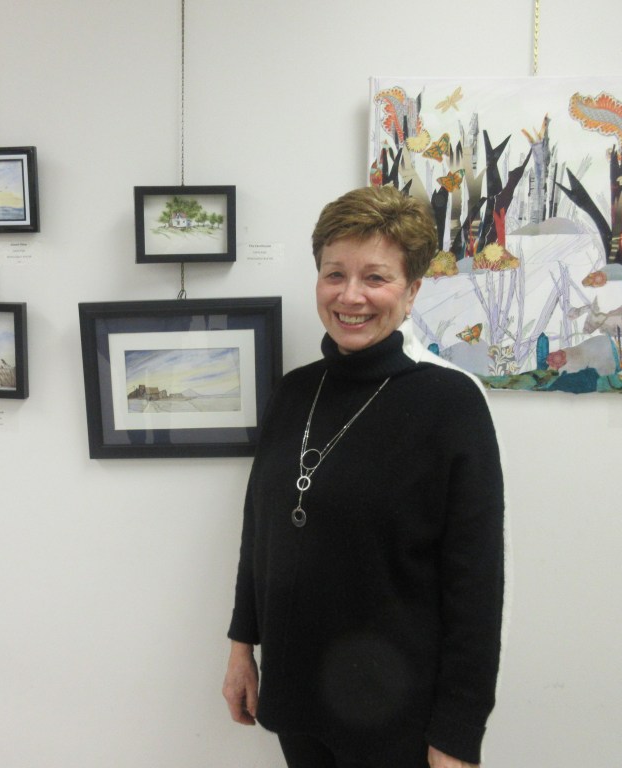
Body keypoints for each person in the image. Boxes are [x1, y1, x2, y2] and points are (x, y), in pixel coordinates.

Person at [222, 185, 505, 768]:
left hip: (397, 715)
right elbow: (260, 532)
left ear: (412, 291)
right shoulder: (293, 392)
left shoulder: (451, 404)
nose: (350, 296)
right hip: (297, 696)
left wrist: (459, 731)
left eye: (375, 277)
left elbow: (476, 584)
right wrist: (241, 647)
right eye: (335, 274)